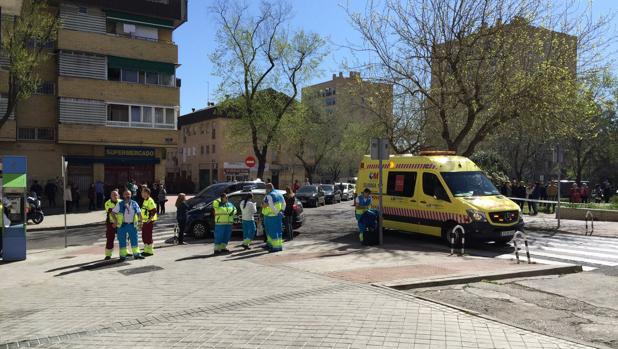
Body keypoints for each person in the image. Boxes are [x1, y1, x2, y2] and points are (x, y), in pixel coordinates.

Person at [111, 189, 144, 261]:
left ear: (131, 195)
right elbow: (113, 213)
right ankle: (122, 256)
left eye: (129, 194)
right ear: (123, 195)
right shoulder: (120, 204)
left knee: (134, 240)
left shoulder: (134, 203)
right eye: (126, 194)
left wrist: (141, 222)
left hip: (132, 225)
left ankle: (137, 254)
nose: (127, 196)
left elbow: (139, 213)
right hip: (122, 226)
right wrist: (115, 221)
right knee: (122, 240)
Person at [262, 183, 286, 252]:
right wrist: (281, 211)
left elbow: (271, 206)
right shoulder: (279, 194)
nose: (265, 190)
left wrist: (277, 213)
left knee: (271, 232)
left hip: (270, 216)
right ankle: (272, 245)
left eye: (266, 189)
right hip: (277, 216)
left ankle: (275, 247)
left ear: (268, 189)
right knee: (278, 231)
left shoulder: (269, 195)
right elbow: (284, 203)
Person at [103, 190, 121, 260]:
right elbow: (111, 213)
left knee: (123, 238)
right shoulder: (107, 203)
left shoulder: (121, 202)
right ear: (110, 196)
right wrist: (115, 222)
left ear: (118, 196)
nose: (115, 196)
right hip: (111, 223)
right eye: (113, 195)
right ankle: (108, 254)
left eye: (116, 195)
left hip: (120, 223)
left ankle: (124, 252)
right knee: (110, 238)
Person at [140, 187, 158, 256]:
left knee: (148, 235)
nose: (142, 194)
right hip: (145, 221)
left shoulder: (150, 200)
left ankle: (149, 251)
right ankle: (146, 250)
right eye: (142, 193)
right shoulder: (145, 200)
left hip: (148, 222)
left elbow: (154, 210)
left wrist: (149, 220)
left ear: (147, 194)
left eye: (143, 193)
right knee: (144, 235)